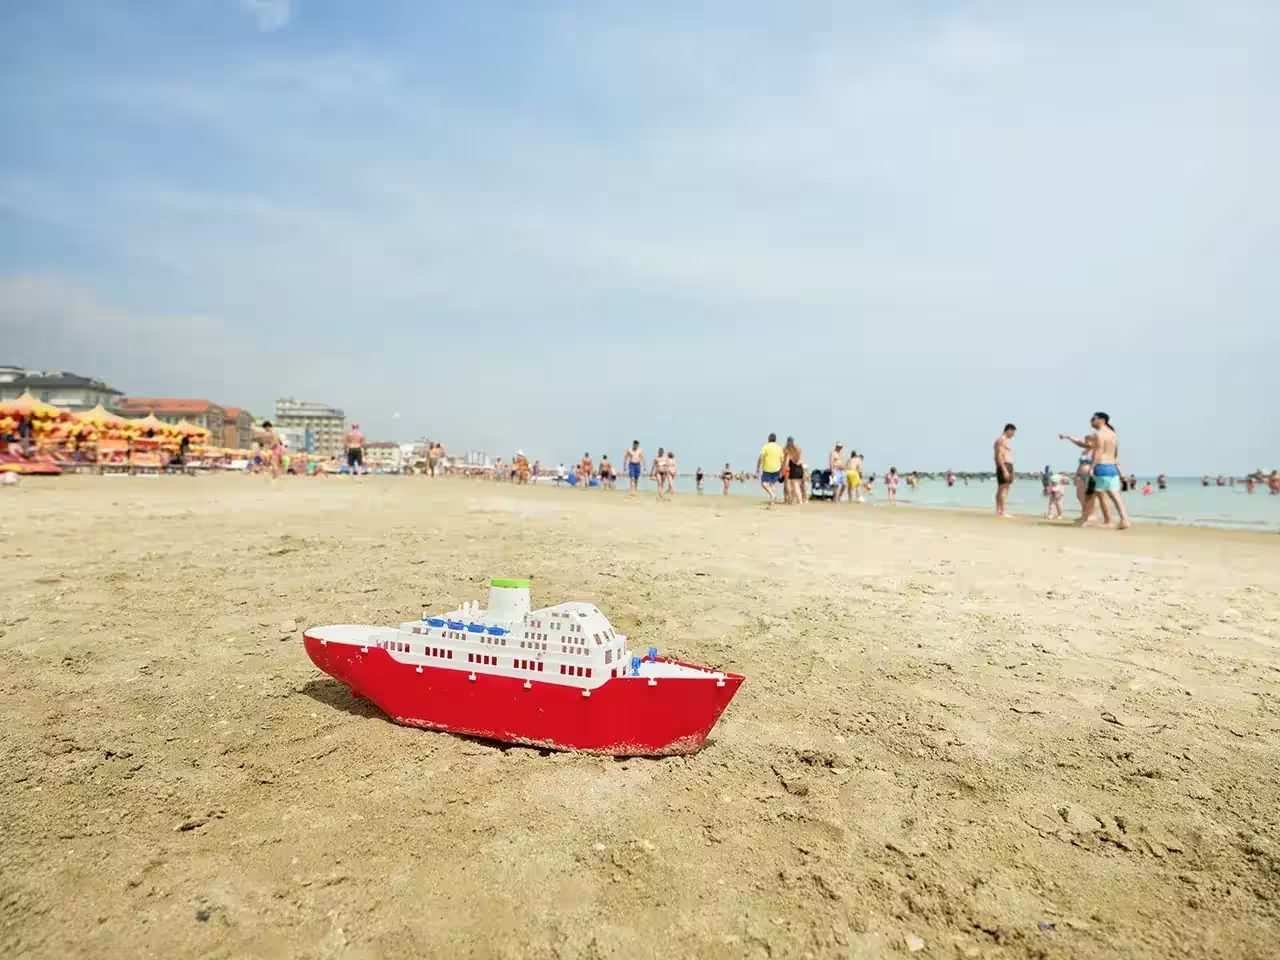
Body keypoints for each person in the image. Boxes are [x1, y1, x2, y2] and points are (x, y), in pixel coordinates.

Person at [1077, 412, 1131, 530]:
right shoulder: (1113, 434)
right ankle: (1124, 519)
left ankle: (1107, 521)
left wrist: (1092, 467)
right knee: (1115, 495)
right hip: (1112, 467)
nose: (1091, 421)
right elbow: (1116, 455)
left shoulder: (1099, 434)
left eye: (1093, 419)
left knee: (1100, 495)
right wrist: (1120, 472)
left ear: (1102, 420)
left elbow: (1098, 452)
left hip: (1101, 466)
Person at [1060, 432, 1112, 526]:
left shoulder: (1097, 451)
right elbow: (1080, 462)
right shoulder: (1084, 451)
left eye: (1088, 440)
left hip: (1091, 475)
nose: (1086, 442)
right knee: (1079, 496)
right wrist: (1076, 475)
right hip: (1081, 475)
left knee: (1090, 496)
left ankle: (1090, 516)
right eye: (1085, 440)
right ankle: (1085, 514)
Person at [993, 424, 1017, 517]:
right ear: (1009, 430)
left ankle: (999, 511)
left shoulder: (1001, 440)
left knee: (1001, 489)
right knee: (1004, 489)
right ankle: (1002, 511)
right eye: (1013, 432)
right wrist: (1004, 469)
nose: (1013, 435)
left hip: (1006, 465)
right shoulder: (1002, 440)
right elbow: (999, 455)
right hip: (1005, 465)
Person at [757, 433, 784, 505]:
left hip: (767, 468)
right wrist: (782, 470)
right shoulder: (779, 447)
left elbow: (761, 457)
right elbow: (782, 460)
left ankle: (772, 495)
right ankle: (772, 501)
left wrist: (758, 467)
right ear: (775, 439)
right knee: (772, 484)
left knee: (764, 484)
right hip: (777, 468)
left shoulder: (765, 446)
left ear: (769, 439)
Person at [782, 437, 804, 505]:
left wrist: (783, 469)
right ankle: (796, 500)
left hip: (793, 468)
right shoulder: (797, 448)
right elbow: (800, 458)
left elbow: (786, 461)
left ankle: (796, 501)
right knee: (796, 486)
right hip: (799, 468)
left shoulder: (787, 450)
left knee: (793, 485)